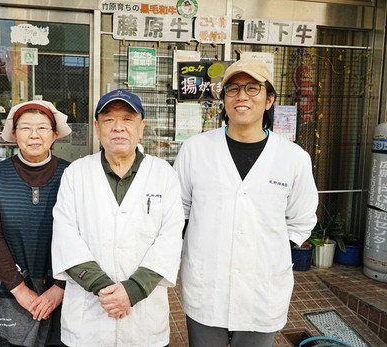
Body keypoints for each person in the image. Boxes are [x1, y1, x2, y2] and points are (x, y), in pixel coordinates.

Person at [173, 58, 319, 347]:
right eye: (233, 89)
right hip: (206, 287)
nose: (241, 96)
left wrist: (271, 256)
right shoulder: (195, 150)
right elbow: (179, 211)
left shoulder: (293, 158)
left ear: (269, 100)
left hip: (262, 291)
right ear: (223, 99)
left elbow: (301, 219)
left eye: (253, 88)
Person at [51, 89, 184, 346]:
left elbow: (171, 237)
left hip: (143, 317)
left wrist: (132, 290)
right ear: (97, 126)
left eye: (128, 119)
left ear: (142, 126)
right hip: (89, 319)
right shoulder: (76, 174)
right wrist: (105, 289)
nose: (118, 128)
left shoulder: (163, 174)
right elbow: (65, 236)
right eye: (109, 120)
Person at [0, 100, 72, 347]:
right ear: (13, 133)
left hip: (68, 284)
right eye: (25, 128)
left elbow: (84, 233)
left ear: (54, 135)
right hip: (16, 282)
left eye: (42, 128)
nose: (34, 135)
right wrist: (19, 289)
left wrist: (60, 287)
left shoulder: (72, 174)